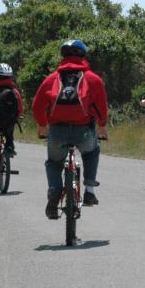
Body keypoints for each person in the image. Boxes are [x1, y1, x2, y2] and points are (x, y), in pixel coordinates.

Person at [31, 39, 109, 219]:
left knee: (54, 162)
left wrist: (42, 124)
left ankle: (54, 191)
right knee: (91, 152)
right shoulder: (92, 78)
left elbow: (37, 106)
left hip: (57, 130)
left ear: (63, 57)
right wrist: (102, 125)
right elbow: (101, 106)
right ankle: (89, 190)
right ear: (83, 56)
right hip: (83, 130)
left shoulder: (52, 78)